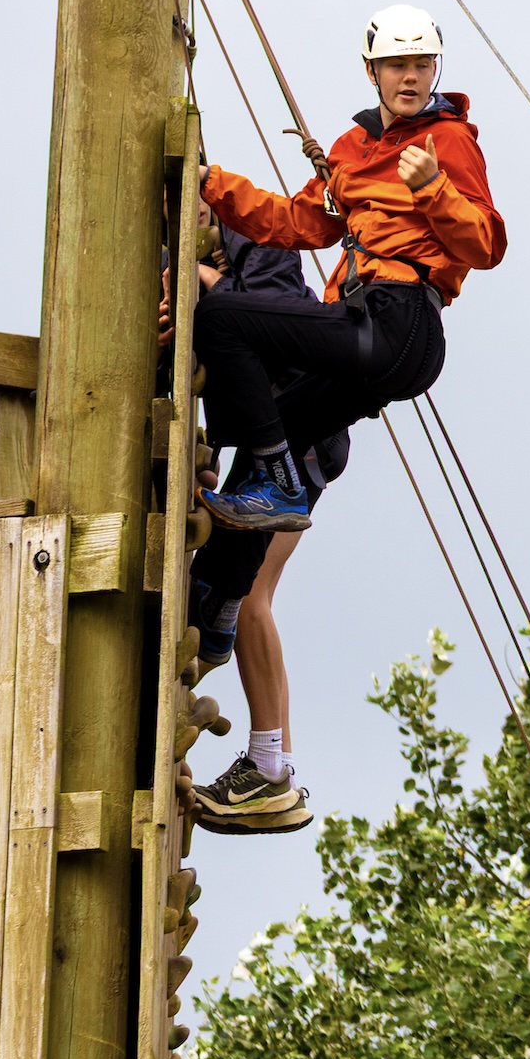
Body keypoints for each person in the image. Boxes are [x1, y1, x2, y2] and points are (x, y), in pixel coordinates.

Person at [187, 3, 507, 833]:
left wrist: (434, 190)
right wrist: (209, 185)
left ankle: (267, 487)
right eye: (397, 65)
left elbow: (485, 244)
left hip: (401, 320)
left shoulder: (449, 145)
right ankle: (222, 646)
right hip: (367, 326)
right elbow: (302, 225)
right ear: (371, 72)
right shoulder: (352, 151)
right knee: (267, 451)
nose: (410, 77)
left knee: (226, 326)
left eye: (422, 65)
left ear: (434, 71)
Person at [181, 211, 352, 836]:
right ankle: (218, 619)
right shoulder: (218, 254)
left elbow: (275, 320)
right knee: (226, 589)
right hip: (269, 439)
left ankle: (270, 764)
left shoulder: (261, 242)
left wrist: (200, 279)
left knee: (256, 595)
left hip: (301, 432)